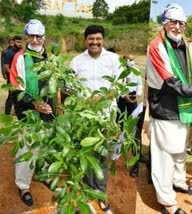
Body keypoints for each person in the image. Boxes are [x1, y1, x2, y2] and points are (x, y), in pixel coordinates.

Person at [146, 4, 192, 214]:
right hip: (165, 107)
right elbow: (171, 83)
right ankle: (167, 201)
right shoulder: (156, 46)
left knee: (180, 150)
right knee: (164, 156)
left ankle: (179, 182)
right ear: (165, 22)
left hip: (186, 107)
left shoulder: (188, 47)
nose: (177, 27)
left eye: (181, 23)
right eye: (173, 22)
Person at [70, 25, 120, 214]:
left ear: (103, 40)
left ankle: (100, 195)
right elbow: (70, 88)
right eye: (91, 39)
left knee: (101, 157)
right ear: (84, 40)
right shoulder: (76, 61)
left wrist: (100, 99)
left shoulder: (113, 60)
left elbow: (119, 87)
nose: (94, 42)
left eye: (98, 39)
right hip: (83, 118)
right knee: (84, 156)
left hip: (106, 118)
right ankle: (85, 193)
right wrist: (80, 101)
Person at [10, 19, 57, 207]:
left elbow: (57, 85)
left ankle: (45, 174)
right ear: (26, 37)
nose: (35, 40)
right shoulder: (20, 58)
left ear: (44, 38)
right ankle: (23, 186)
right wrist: (34, 105)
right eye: (31, 36)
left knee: (46, 146)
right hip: (29, 114)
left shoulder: (51, 58)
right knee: (27, 149)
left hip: (49, 113)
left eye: (38, 36)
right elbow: (15, 90)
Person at [117, 53, 143, 178]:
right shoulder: (120, 72)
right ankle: (120, 136)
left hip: (132, 95)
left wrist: (137, 94)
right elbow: (117, 86)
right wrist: (123, 96)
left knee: (132, 117)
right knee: (120, 117)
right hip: (123, 96)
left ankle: (131, 136)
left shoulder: (136, 71)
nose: (131, 62)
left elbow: (139, 84)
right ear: (124, 61)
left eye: (132, 59)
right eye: (129, 60)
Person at [3, 35, 22, 115]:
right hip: (12, 78)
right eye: (18, 42)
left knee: (19, 95)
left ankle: (18, 112)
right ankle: (7, 113)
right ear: (13, 42)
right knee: (11, 96)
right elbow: (6, 67)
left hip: (20, 78)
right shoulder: (8, 53)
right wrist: (14, 75)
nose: (19, 44)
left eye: (20, 42)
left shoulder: (20, 52)